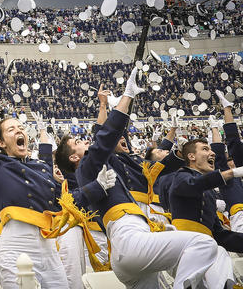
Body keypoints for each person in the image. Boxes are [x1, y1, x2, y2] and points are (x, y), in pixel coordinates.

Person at [76, 66, 233, 289]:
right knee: (204, 246)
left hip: (145, 229)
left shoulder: (132, 164)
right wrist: (120, 100)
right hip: (130, 238)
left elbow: (157, 165)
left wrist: (180, 152)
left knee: (212, 255)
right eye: (78, 144)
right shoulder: (93, 167)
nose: (122, 139)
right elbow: (103, 136)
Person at [0, 78, 68, 289]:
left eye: (21, 127)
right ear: (1, 143)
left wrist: (70, 186)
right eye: (11, 129)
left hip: (48, 244)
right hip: (15, 244)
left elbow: (62, 203)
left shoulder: (41, 167)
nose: (19, 130)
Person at [167, 136, 243, 259]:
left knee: (221, 257)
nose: (212, 153)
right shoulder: (181, 175)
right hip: (185, 245)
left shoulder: (209, 192)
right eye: (205, 149)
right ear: (191, 156)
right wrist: (231, 173)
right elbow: (193, 185)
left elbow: (220, 235)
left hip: (205, 246)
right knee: (221, 256)